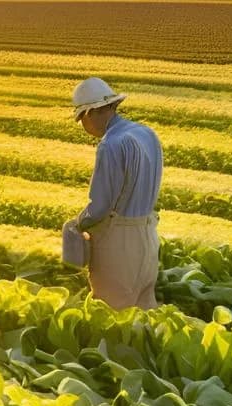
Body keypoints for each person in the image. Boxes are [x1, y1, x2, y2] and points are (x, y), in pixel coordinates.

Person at [63, 77, 163, 310]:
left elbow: (100, 206)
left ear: (90, 113)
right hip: (148, 239)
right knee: (144, 318)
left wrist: (77, 224)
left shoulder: (111, 144)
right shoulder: (147, 134)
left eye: (81, 119)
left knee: (111, 317)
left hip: (120, 249)